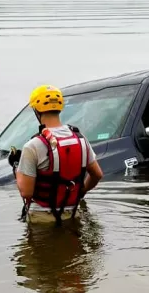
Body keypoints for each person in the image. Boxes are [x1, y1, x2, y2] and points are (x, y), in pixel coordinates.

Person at [9, 85, 104, 225]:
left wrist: (16, 166)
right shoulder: (80, 139)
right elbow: (97, 175)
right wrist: (81, 191)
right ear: (60, 108)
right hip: (72, 214)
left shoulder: (32, 146)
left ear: (36, 110)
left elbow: (26, 192)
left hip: (41, 219)